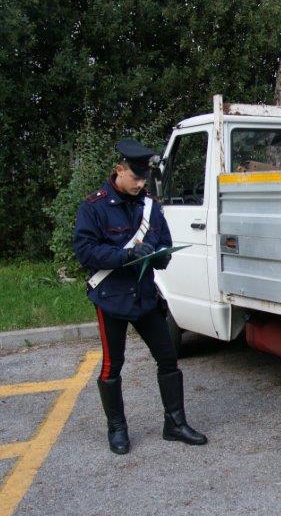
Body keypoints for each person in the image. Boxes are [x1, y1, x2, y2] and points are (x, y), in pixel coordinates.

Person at [73, 139, 207, 454]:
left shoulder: (149, 205)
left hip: (145, 296)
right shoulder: (93, 207)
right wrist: (127, 255)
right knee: (112, 365)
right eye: (135, 177)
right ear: (119, 170)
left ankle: (175, 424)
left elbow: (164, 241)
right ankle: (117, 429)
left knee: (168, 358)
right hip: (111, 297)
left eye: (144, 178)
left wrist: (160, 256)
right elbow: (85, 251)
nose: (140, 184)